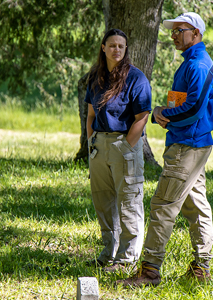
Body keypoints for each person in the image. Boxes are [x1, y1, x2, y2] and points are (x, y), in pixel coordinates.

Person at [120, 12, 213, 287]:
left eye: (180, 30)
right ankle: (201, 269)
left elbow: (194, 109)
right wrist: (165, 113)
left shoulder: (198, 65)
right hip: (192, 143)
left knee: (163, 205)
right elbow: (187, 104)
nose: (174, 35)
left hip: (187, 145)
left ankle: (149, 272)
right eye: (173, 31)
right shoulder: (191, 62)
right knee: (196, 206)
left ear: (196, 34)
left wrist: (160, 114)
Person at [84, 28, 152, 273]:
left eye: (121, 46)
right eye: (112, 45)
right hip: (99, 147)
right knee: (103, 201)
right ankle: (109, 253)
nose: (116, 50)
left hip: (125, 145)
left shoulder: (136, 78)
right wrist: (92, 142)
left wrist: (126, 147)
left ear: (126, 49)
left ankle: (126, 259)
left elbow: (142, 117)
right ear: (103, 48)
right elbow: (90, 115)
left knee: (129, 202)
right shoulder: (96, 78)